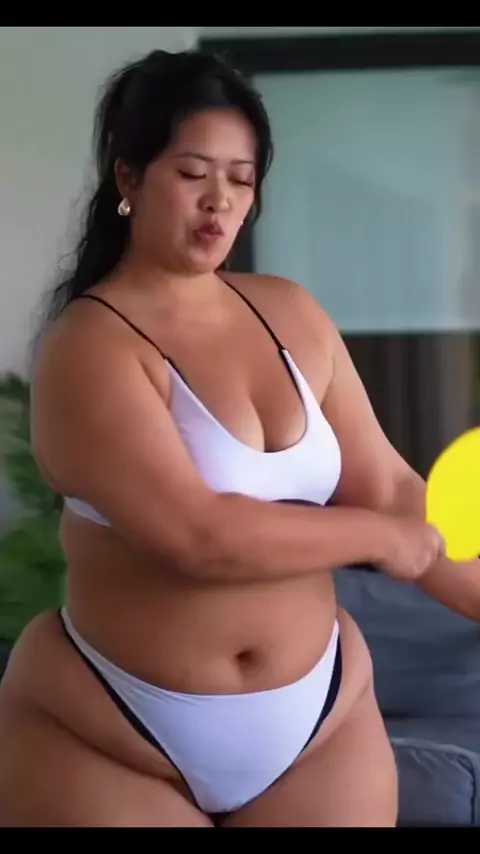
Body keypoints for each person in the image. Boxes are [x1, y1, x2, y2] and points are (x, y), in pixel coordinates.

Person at [0, 48, 479, 829]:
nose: (219, 201)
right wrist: (379, 539)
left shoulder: (290, 311)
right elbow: (196, 536)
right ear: (128, 178)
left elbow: (392, 488)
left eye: (242, 179)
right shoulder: (88, 348)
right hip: (116, 728)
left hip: (319, 721)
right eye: (192, 174)